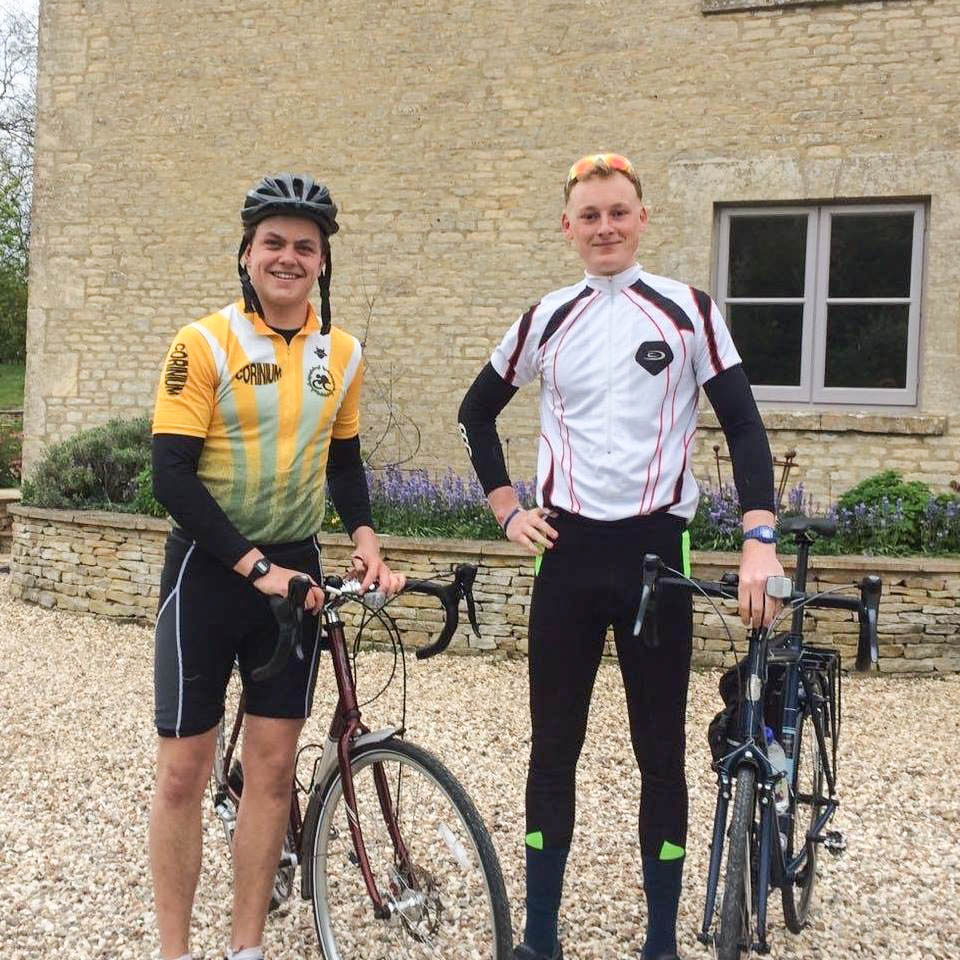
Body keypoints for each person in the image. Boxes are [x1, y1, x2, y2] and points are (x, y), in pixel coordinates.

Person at [458, 153, 783, 960]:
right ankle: (539, 936)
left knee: (659, 752)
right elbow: (475, 413)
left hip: (653, 556)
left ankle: (661, 941)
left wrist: (758, 537)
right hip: (565, 553)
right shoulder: (545, 317)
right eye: (589, 215)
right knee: (553, 747)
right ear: (567, 228)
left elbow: (744, 426)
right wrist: (505, 509)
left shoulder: (687, 311)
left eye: (618, 212)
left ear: (642, 219)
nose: (604, 227)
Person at [149, 173, 404, 960]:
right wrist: (253, 566)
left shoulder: (343, 352)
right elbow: (171, 478)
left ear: (322, 262)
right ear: (247, 254)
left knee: (271, 770)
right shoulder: (205, 342)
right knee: (185, 772)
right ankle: (173, 950)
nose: (288, 258)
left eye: (305, 246)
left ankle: (247, 947)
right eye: (274, 243)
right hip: (207, 574)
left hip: (296, 572)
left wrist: (364, 535)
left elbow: (347, 462)